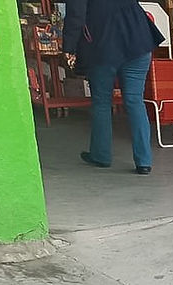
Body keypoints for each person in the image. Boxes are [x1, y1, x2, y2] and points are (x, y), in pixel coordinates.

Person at [63, 0, 165, 175]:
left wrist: (68, 48)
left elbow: (76, 16)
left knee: (101, 103)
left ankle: (101, 155)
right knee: (135, 101)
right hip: (137, 39)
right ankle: (144, 161)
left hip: (102, 46)